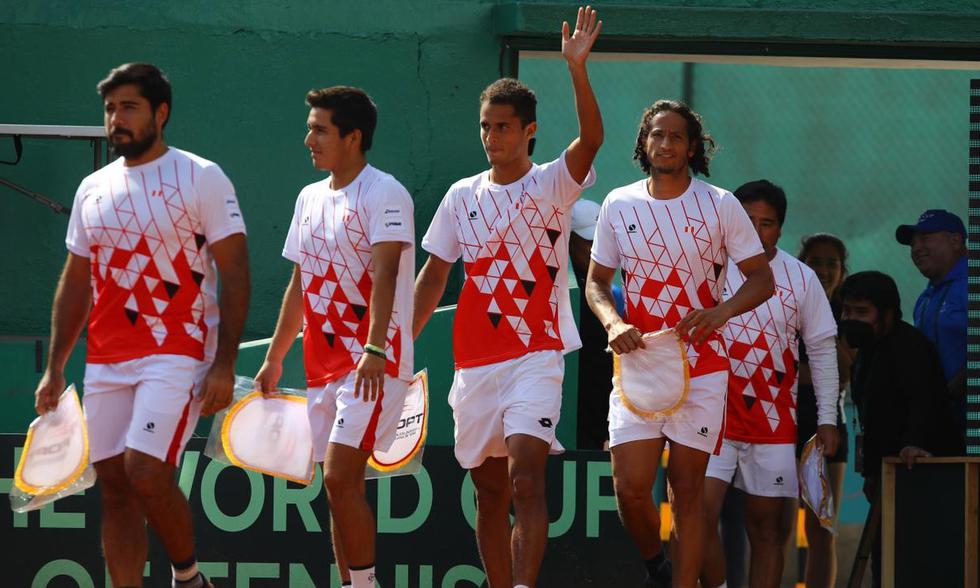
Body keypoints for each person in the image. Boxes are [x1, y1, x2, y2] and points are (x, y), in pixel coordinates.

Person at [33, 63, 250, 588]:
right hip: (106, 357)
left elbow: (236, 271)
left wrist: (224, 363)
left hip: (178, 352)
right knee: (113, 486)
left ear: (161, 113)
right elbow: (77, 281)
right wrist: (55, 367)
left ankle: (189, 576)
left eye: (128, 107)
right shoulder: (93, 189)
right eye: (110, 109)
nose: (116, 120)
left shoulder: (201, 176)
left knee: (145, 470)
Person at [413, 7, 603, 587]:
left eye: (504, 126)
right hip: (474, 362)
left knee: (526, 476)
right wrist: (395, 346)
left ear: (529, 131)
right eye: (486, 127)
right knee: (490, 493)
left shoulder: (552, 182)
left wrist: (576, 69)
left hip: (536, 355)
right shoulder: (459, 196)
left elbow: (592, 139)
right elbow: (434, 276)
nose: (493, 137)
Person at [586, 101, 774, 588]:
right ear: (643, 143)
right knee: (629, 489)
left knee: (686, 493)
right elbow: (596, 283)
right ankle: (657, 566)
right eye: (656, 135)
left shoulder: (720, 203)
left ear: (692, 147)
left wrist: (720, 312)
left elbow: (761, 281)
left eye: (675, 137)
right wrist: (611, 323)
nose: (665, 144)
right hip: (638, 363)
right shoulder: (618, 203)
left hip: (702, 365)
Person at [254, 86, 415, 588]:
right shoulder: (308, 198)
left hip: (372, 366)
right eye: (310, 127)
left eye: (319, 129)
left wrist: (374, 348)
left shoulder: (385, 192)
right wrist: (276, 357)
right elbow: (302, 283)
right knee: (336, 488)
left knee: (340, 477)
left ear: (353, 136)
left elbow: (386, 273)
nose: (309, 139)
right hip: (320, 366)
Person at [700, 181, 839, 588]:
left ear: (780, 229)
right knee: (697, 517)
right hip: (712, 418)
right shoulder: (705, 263)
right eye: (747, 220)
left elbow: (822, 349)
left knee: (768, 531)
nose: (757, 231)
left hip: (773, 423)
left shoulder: (802, 278)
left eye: (768, 223)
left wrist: (827, 419)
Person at [839, 271, 963, 587]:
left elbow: (926, 402)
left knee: (913, 561)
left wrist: (914, 443)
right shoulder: (869, 350)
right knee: (886, 561)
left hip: (919, 474)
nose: (851, 319)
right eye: (847, 311)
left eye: (862, 313)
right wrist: (869, 472)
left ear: (888, 314)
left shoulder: (910, 348)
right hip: (887, 474)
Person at [795, 232, 852, 588]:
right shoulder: (786, 305)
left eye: (832, 263)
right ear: (801, 265)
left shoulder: (848, 313)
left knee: (822, 529)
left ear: (842, 271)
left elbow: (844, 373)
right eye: (815, 261)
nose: (824, 269)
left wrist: (813, 371)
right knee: (775, 524)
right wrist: (819, 370)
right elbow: (780, 370)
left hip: (831, 429)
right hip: (783, 426)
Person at [896, 209, 967, 433]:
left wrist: (963, 380)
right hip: (945, 422)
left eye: (925, 238)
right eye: (912, 243)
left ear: (955, 241)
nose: (916, 248)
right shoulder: (925, 299)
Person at [570, 198, 619, 450]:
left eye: (598, 240)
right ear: (568, 240)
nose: (593, 249)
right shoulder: (562, 290)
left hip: (600, 417)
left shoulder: (614, 293)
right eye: (587, 239)